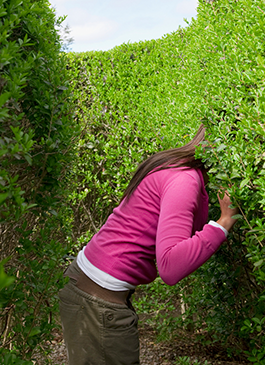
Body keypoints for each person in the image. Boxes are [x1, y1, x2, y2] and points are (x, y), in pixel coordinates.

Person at [58, 125, 239, 365]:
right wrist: (224, 222)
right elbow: (170, 267)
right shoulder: (184, 180)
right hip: (96, 300)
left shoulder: (177, 167)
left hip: (91, 292)